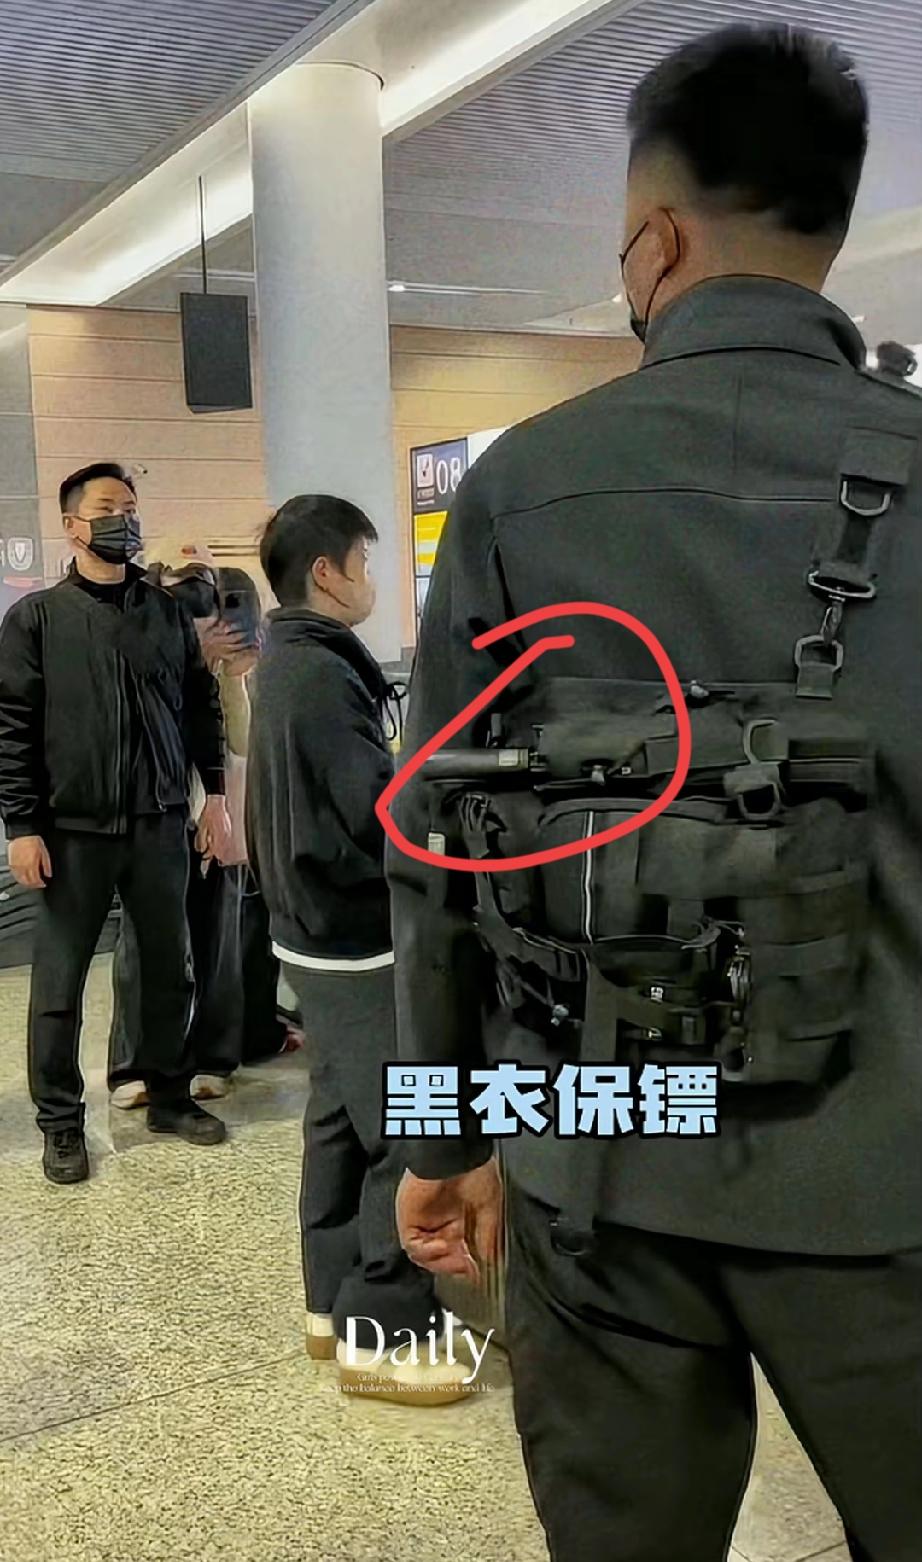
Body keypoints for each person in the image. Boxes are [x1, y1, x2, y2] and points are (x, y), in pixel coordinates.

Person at [389, 25, 922, 1561]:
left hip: (595, 1151)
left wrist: (439, 1138)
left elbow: (436, 855)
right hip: (889, 1170)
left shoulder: (518, 486)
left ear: (654, 237)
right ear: (829, 227)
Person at [246, 494, 471, 1404]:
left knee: (340, 1117)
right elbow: (373, 808)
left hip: (309, 931)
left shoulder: (289, 659)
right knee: (401, 1131)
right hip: (353, 935)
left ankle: (330, 1302)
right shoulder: (319, 672)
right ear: (327, 572)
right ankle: (385, 1330)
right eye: (364, 562)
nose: (370, 580)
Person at [0, 463, 231, 1184]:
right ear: (72, 525)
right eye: (106, 508)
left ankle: (169, 1094)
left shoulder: (165, 612)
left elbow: (200, 707)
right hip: (71, 831)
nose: (122, 520)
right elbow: (12, 726)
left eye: (130, 508)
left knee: (168, 969)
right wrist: (21, 825)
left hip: (159, 820)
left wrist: (214, 797)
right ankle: (61, 1122)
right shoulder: (36, 619)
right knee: (59, 984)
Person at [107, 543, 256, 1108]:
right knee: (140, 948)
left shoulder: (226, 661)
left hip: (217, 812)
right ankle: (132, 1066)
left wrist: (229, 676)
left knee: (218, 942)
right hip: (153, 814)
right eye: (178, 589)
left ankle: (213, 1058)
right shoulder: (138, 644)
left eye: (201, 590)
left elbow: (240, 742)